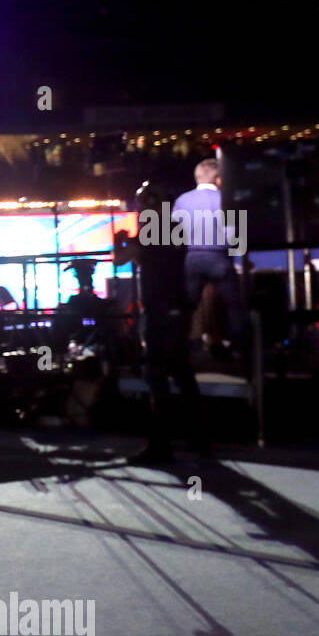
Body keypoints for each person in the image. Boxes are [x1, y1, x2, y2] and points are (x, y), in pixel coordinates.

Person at [117, 182, 210, 463]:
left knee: (157, 376)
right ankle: (198, 439)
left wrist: (121, 239)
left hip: (160, 310)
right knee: (181, 372)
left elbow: (120, 258)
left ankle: (161, 444)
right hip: (178, 308)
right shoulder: (176, 229)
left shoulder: (152, 230)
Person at [175, 157, 247, 357]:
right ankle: (238, 347)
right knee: (233, 305)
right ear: (218, 178)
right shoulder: (226, 199)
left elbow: (175, 234)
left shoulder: (182, 200)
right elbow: (233, 234)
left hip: (191, 258)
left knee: (188, 306)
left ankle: (185, 344)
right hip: (219, 257)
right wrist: (242, 258)